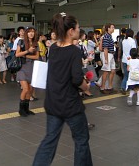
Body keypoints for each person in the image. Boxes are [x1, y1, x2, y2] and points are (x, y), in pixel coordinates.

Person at [33, 13, 92, 166]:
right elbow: (77, 79)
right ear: (71, 31)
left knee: (49, 140)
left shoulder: (53, 48)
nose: (79, 30)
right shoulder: (74, 51)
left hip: (53, 103)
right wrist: (86, 87)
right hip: (70, 105)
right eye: (78, 28)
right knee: (81, 140)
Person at [15, 27, 39, 117]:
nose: (31, 34)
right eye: (29, 32)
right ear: (26, 33)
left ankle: (27, 109)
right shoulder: (21, 42)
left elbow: (37, 57)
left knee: (30, 90)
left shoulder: (36, 44)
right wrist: (28, 51)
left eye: (33, 32)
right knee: (25, 89)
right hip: (22, 68)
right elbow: (17, 54)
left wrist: (26, 56)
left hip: (32, 68)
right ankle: (21, 110)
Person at [100, 23, 116, 94]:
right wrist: (106, 59)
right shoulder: (106, 36)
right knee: (106, 71)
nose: (113, 28)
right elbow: (105, 48)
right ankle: (102, 87)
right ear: (108, 28)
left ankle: (110, 87)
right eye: (112, 27)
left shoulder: (109, 36)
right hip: (107, 54)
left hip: (111, 54)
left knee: (112, 71)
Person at [120, 29, 137, 94]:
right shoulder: (132, 41)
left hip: (124, 60)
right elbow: (134, 50)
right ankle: (133, 88)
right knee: (133, 74)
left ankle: (123, 87)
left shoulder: (124, 40)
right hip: (131, 60)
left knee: (126, 75)